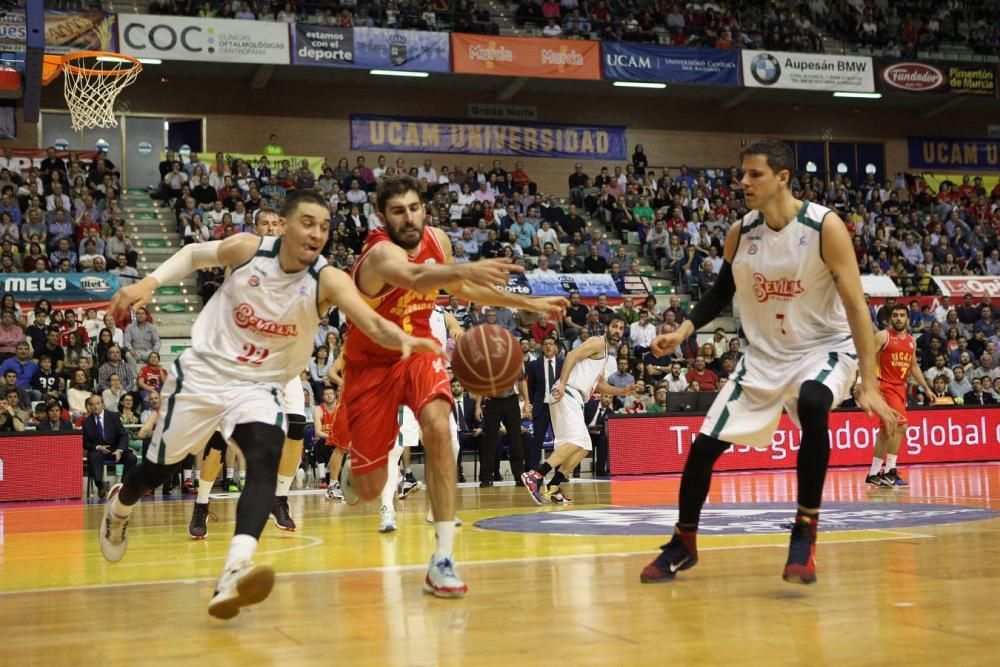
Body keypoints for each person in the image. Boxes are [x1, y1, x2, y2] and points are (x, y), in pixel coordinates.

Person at [95, 189, 440, 619]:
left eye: (324, 227)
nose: (316, 233)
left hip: (259, 386)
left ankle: (234, 570)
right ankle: (120, 505)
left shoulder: (327, 279)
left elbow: (369, 320)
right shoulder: (247, 249)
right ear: (286, 224)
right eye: (307, 223)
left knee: (265, 457)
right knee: (158, 467)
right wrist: (148, 283)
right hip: (204, 374)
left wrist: (405, 340)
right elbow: (191, 255)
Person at [638, 140, 897, 586]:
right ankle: (684, 541)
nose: (742, 182)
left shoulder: (824, 227)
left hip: (823, 348)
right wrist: (683, 330)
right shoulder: (742, 231)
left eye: (753, 174)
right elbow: (722, 290)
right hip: (763, 358)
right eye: (741, 174)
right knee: (702, 451)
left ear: (782, 178)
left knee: (814, 403)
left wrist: (868, 382)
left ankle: (805, 530)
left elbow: (856, 305)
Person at [339, 175, 566, 598]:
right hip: (372, 361)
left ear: (424, 208)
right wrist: (462, 267)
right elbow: (414, 278)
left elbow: (460, 286)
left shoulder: (437, 240)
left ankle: (442, 559)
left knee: (440, 429)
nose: (408, 218)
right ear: (381, 217)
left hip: (422, 348)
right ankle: (358, 472)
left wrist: (529, 303)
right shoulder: (378, 253)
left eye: (414, 208)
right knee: (369, 489)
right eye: (398, 211)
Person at [187, 207, 316, 538]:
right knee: (220, 437)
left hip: (281, 360)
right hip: (242, 361)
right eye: (265, 223)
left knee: (297, 427)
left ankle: (280, 499)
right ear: (254, 228)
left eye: (276, 223)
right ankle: (201, 504)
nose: (271, 227)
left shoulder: (297, 263)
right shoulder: (242, 259)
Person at [522, 316, 634, 503]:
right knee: (576, 441)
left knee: (583, 447)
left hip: (572, 396)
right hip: (568, 392)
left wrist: (622, 390)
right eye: (614, 326)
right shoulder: (598, 341)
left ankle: (554, 486)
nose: (618, 331)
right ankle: (536, 476)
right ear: (606, 327)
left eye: (621, 328)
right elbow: (572, 355)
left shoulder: (605, 353)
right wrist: (563, 384)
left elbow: (598, 384)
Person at [866, 304, 936, 488]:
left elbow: (913, 367)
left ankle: (874, 473)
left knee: (886, 430)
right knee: (901, 425)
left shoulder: (911, 341)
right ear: (890, 318)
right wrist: (864, 384)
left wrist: (927, 389)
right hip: (884, 385)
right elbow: (866, 358)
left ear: (907, 318)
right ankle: (889, 471)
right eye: (895, 315)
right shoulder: (883, 336)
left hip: (899, 387)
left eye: (902, 315)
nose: (898, 318)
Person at [82, 394, 137, 498]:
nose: (95, 407)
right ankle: (100, 486)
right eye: (92, 404)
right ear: (89, 406)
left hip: (115, 450)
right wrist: (98, 447)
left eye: (98, 403)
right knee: (92, 456)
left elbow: (124, 435)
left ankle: (123, 486)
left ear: (102, 404)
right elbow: (86, 444)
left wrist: (120, 450)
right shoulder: (87, 422)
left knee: (132, 458)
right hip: (99, 452)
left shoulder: (113, 416)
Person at [525, 337, 563, 472]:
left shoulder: (562, 364)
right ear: (541, 347)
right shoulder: (534, 365)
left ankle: (559, 472)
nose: (548, 346)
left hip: (558, 407)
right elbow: (530, 388)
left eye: (551, 344)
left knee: (559, 441)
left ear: (555, 347)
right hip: (541, 407)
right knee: (537, 441)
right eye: (545, 344)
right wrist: (529, 405)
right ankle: (532, 472)